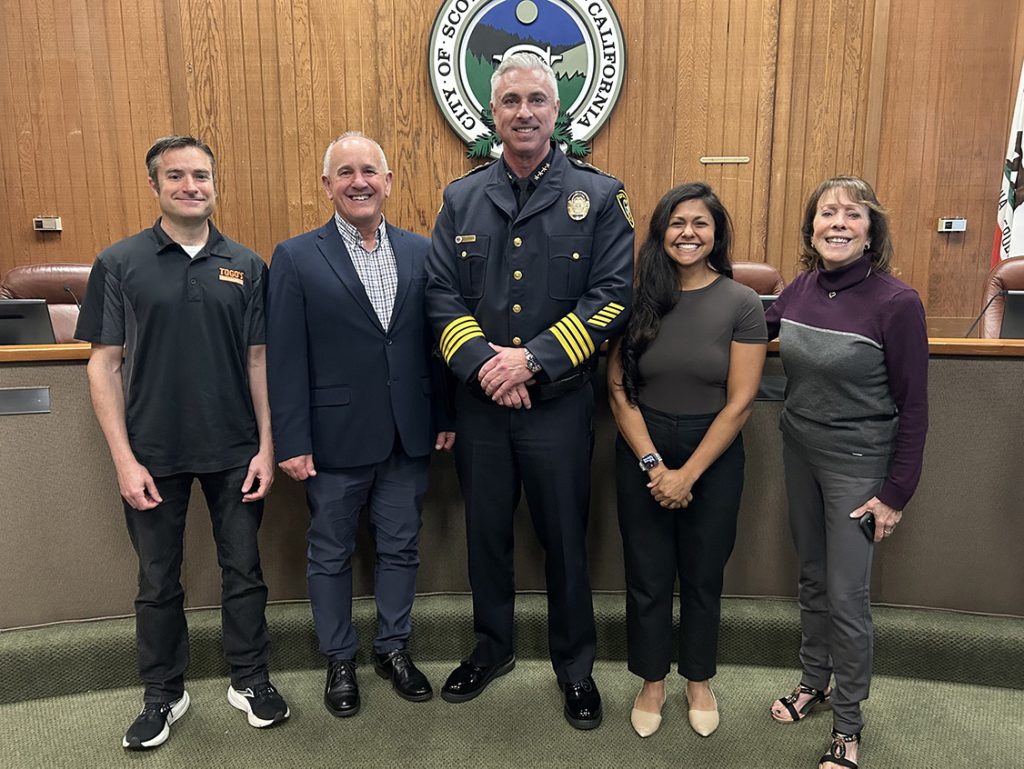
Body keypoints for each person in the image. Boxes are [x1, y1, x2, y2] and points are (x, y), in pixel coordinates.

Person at [425, 52, 634, 730]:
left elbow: (612, 297)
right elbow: (438, 294)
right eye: (510, 100)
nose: (523, 111)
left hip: (558, 406)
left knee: (564, 540)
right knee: (487, 535)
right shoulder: (461, 197)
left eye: (535, 99)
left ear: (557, 109)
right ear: (492, 112)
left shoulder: (599, 196)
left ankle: (575, 666)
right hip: (481, 406)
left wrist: (533, 362)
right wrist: (488, 365)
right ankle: (492, 648)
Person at [76, 135, 289, 750]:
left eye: (201, 175)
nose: (191, 185)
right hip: (151, 454)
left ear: (215, 184)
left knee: (244, 572)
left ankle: (250, 679)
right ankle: (163, 693)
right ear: (155, 187)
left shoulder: (247, 266)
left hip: (235, 449)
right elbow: (104, 364)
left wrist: (267, 446)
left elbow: (259, 362)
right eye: (176, 176)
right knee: (157, 579)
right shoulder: (118, 263)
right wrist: (122, 459)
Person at [266, 132, 454, 718]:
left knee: (401, 548)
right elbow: (286, 358)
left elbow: (437, 342)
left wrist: (444, 414)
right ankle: (339, 658)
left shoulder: (424, 253)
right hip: (333, 440)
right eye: (344, 172)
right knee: (331, 553)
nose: (358, 182)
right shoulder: (296, 256)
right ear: (327, 185)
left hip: (408, 433)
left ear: (389, 181)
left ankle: (393, 649)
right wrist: (292, 440)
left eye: (369, 170)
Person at [765, 176, 928, 769]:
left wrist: (895, 494)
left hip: (858, 465)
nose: (837, 223)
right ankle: (814, 681)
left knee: (846, 595)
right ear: (811, 227)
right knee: (810, 578)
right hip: (799, 450)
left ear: (871, 229)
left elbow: (915, 408)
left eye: (852, 214)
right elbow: (756, 329)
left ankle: (848, 724)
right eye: (827, 212)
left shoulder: (896, 302)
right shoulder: (803, 288)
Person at [608, 183, 767, 738]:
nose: (688, 233)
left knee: (702, 575)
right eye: (677, 223)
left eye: (700, 223)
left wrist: (687, 474)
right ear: (660, 233)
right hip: (643, 446)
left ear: (716, 234)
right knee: (647, 576)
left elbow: (742, 401)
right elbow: (619, 391)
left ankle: (698, 679)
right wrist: (656, 467)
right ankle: (652, 681)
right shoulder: (634, 299)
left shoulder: (742, 303)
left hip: (713, 452)